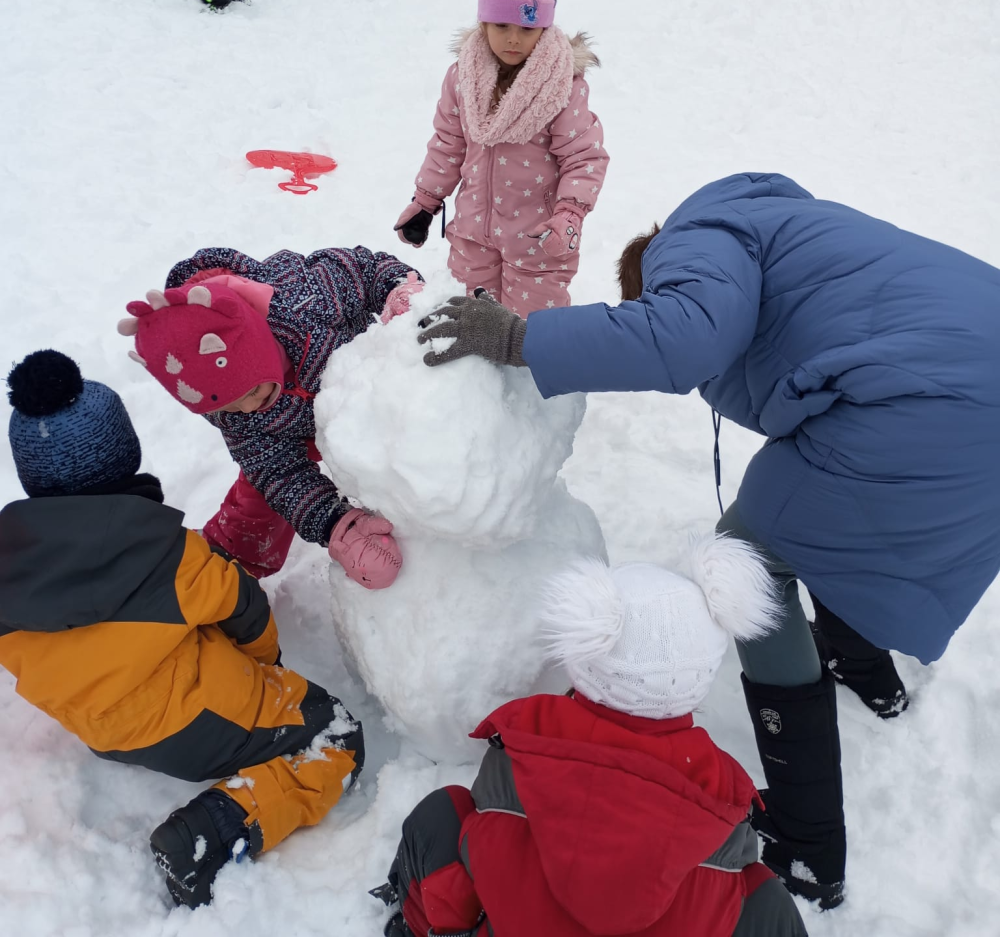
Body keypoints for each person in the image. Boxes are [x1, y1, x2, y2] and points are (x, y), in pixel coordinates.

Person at [415, 171, 1000, 910]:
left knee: (751, 559)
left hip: (929, 405)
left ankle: (809, 839)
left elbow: (682, 336)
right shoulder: (773, 231)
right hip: (965, 389)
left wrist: (520, 340)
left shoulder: (697, 242)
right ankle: (868, 676)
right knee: (828, 513)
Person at [0, 351, 365, 909]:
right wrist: (264, 668)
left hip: (101, 733)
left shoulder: (10, 568)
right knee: (334, 735)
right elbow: (246, 610)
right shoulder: (169, 556)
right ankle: (210, 831)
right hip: (187, 723)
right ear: (122, 458)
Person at [374, 539, 808, 937]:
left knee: (443, 813)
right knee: (765, 899)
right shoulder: (721, 805)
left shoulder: (518, 756)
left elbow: (481, 851)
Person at [118, 245, 422, 581]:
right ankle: (235, 562)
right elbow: (280, 475)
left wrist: (397, 290)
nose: (247, 409)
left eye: (251, 393)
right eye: (226, 408)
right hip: (291, 429)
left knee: (399, 452)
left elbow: (365, 268)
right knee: (262, 491)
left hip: (371, 388)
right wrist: (337, 524)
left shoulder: (304, 296)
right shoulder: (239, 416)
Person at [394, 0, 609, 314]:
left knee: (529, 335)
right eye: (502, 26)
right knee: (469, 322)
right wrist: (426, 202)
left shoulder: (561, 85)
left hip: (540, 240)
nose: (513, 39)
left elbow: (584, 157)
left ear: (542, 27)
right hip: (472, 233)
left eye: (527, 28)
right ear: (484, 24)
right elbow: (448, 144)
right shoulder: (463, 77)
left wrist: (569, 215)